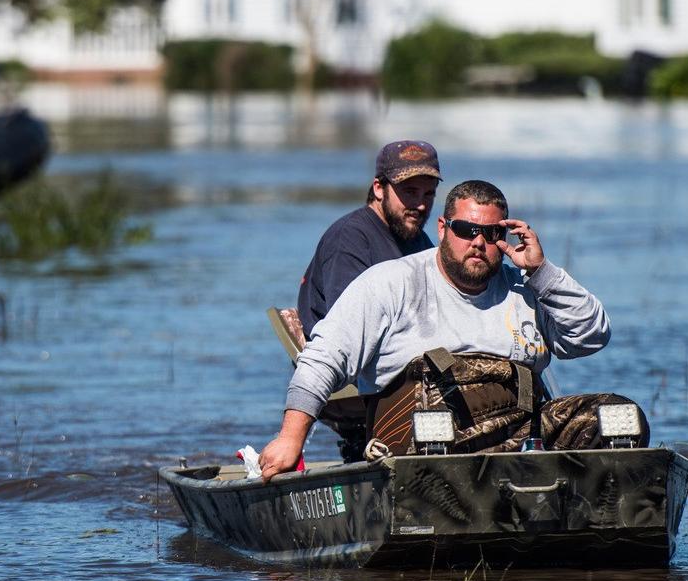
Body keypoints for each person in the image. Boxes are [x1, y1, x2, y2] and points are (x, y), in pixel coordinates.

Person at [260, 179, 646, 480]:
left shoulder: (524, 288)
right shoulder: (391, 283)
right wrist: (290, 439)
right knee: (433, 428)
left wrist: (542, 273)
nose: (478, 242)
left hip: (521, 442)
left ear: (506, 237)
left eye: (493, 234)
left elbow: (591, 335)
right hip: (424, 447)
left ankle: (599, 520)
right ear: (443, 228)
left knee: (619, 415)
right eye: (466, 229)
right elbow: (324, 358)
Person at [296, 140, 441, 339]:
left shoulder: (417, 238)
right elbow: (350, 326)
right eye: (410, 192)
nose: (421, 205)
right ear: (379, 188)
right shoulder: (349, 238)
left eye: (428, 194)